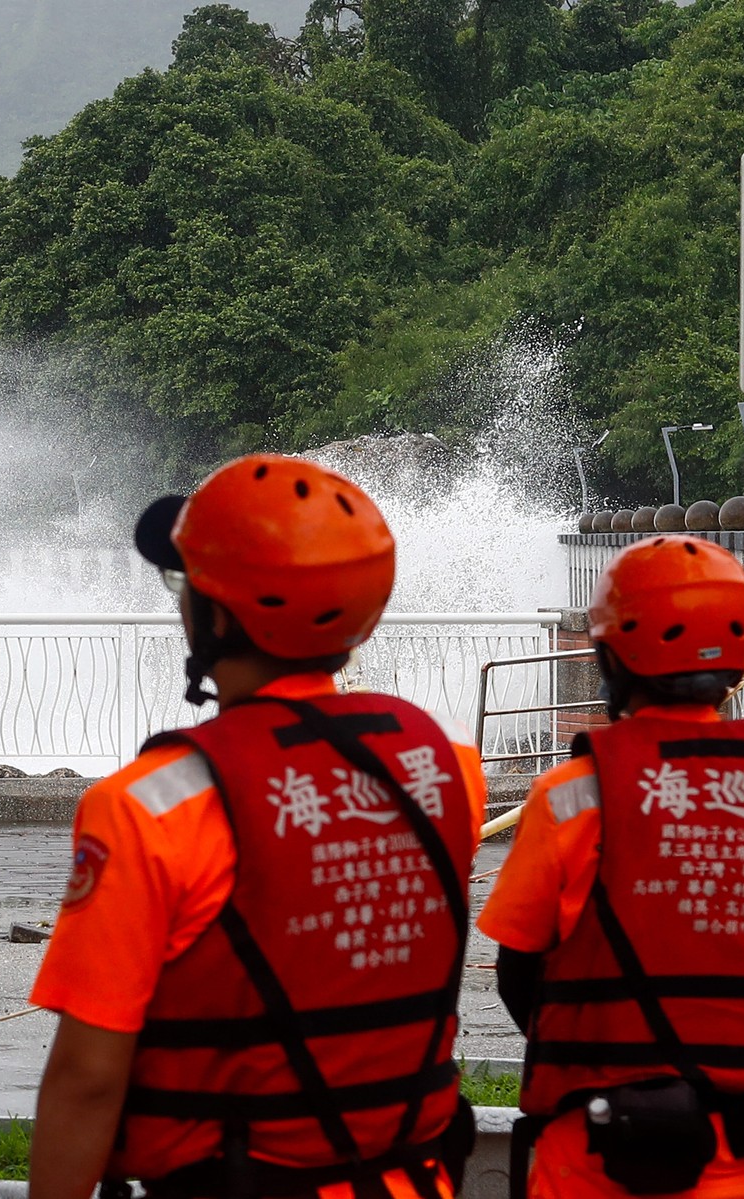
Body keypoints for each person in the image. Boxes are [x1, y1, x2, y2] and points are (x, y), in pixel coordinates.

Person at [27, 453, 488, 1199]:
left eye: (186, 583)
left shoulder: (150, 804)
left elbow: (86, 1079)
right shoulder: (446, 766)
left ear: (212, 614)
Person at [478, 535, 744, 1199]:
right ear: (738, 663)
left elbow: (518, 972)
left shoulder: (573, 794)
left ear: (610, 658)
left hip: (601, 1157)